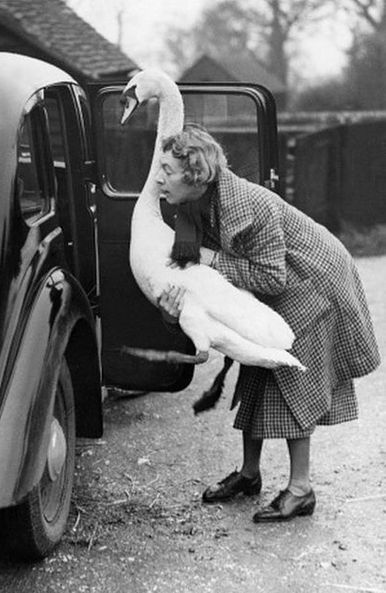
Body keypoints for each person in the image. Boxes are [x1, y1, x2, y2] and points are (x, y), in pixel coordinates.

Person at [156, 123, 381, 523]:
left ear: (196, 175)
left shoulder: (249, 205)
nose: (159, 177)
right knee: (255, 370)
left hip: (313, 282)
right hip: (280, 282)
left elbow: (271, 277)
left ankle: (301, 489)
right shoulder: (190, 206)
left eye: (167, 170)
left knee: (292, 377)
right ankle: (249, 474)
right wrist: (175, 302)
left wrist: (211, 262)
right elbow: (190, 270)